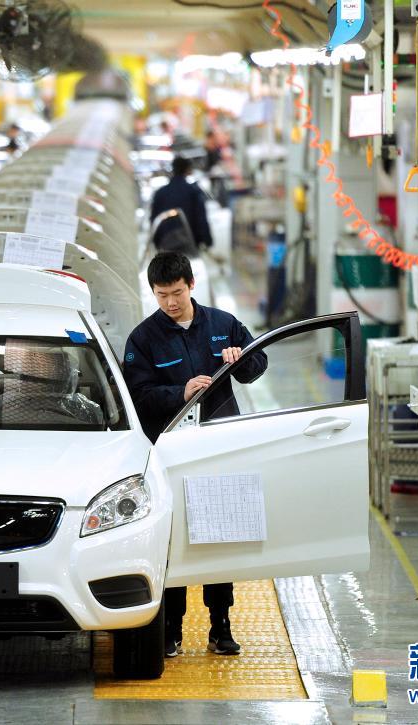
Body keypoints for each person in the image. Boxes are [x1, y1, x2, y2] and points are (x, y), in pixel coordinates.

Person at [122, 251, 268, 659]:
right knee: (173, 540)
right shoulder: (143, 339)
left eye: (177, 292)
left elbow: (258, 363)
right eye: (162, 295)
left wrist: (242, 359)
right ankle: (172, 628)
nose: (170, 302)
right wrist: (179, 393)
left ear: (191, 284)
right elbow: (137, 396)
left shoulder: (223, 325)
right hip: (172, 451)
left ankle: (221, 626)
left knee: (219, 537)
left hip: (219, 444)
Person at [150, 156, 212, 251]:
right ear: (188, 170)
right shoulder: (193, 192)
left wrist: (156, 241)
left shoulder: (160, 193)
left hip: (166, 242)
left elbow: (154, 219)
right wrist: (207, 240)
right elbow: (201, 218)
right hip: (190, 241)